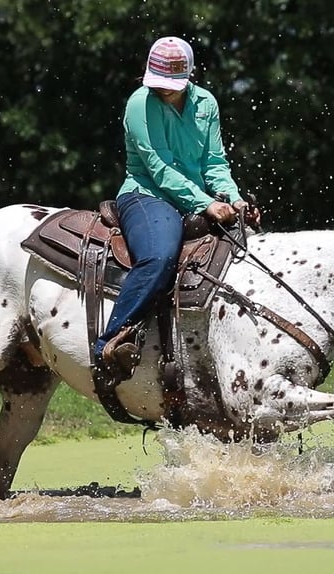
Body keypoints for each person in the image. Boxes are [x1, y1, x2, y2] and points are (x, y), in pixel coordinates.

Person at [94, 35, 260, 380]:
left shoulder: (206, 104)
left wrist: (234, 198)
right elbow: (158, 168)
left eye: (171, 85)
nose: (164, 90)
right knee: (159, 256)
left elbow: (214, 163)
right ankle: (109, 344)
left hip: (198, 198)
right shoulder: (140, 104)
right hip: (147, 195)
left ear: (189, 77)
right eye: (159, 84)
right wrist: (206, 204)